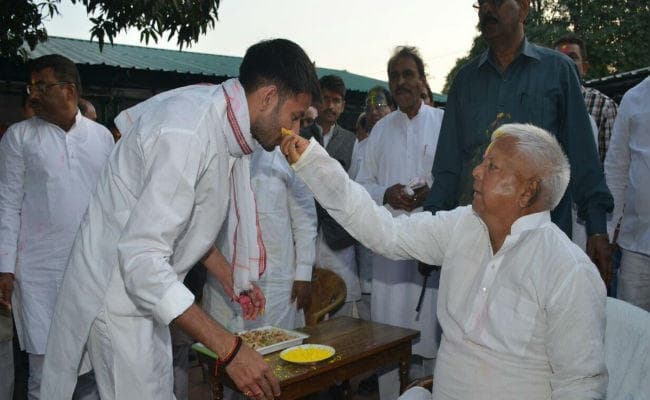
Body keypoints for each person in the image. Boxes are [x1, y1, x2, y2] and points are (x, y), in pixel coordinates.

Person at [39, 38, 320, 400]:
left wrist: (227, 274)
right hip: (119, 294)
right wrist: (230, 349)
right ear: (268, 97)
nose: (294, 131)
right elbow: (141, 260)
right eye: (294, 116)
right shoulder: (189, 132)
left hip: (146, 295)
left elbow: (183, 219)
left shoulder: (224, 122)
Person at [281, 122, 607, 400]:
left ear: (528, 191)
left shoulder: (568, 271)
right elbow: (386, 232)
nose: (476, 172)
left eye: (492, 166)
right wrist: (314, 165)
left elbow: (580, 385)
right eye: (482, 162)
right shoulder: (462, 226)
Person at [423, 0, 614, 285]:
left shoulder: (558, 71)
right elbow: (448, 169)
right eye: (482, 3)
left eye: (497, 2)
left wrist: (597, 229)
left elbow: (583, 157)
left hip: (539, 247)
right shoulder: (465, 81)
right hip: (474, 242)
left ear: (524, 8)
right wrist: (430, 226)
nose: (488, 10)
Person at [0, 54, 114, 400]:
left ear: (69, 91)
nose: (32, 95)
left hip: (93, 270)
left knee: (95, 369)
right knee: (46, 373)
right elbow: (7, 205)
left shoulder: (102, 138)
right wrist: (5, 268)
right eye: (31, 87)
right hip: (39, 274)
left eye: (41, 86)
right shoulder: (18, 138)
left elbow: (114, 203)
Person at [355, 46, 444, 400]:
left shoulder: (442, 122)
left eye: (408, 74)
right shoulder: (380, 131)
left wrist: (431, 194)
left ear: (422, 80)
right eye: (395, 76)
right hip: (390, 248)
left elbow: (454, 179)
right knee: (390, 340)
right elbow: (361, 184)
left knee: (434, 338)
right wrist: (385, 193)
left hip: (431, 245)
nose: (401, 82)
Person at [203, 143, 317, 332]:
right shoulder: (213, 151)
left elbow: (305, 219)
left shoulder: (284, 157)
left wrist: (304, 273)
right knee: (220, 346)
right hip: (222, 279)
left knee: (275, 346)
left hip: (276, 283)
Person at [306, 75, 360, 317]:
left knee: (342, 306)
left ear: (343, 105)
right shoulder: (301, 135)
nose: (330, 106)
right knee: (307, 304)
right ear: (316, 101)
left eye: (336, 101)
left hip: (338, 233)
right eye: (325, 99)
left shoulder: (351, 141)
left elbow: (354, 186)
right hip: (306, 229)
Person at [605, 77, 650, 312]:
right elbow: (616, 168)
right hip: (636, 246)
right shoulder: (634, 98)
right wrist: (608, 231)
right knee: (632, 323)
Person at [553, 34, 618, 163]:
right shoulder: (539, 102)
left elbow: (612, 164)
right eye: (559, 58)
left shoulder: (604, 106)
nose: (565, 62)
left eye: (572, 57)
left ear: (585, 68)